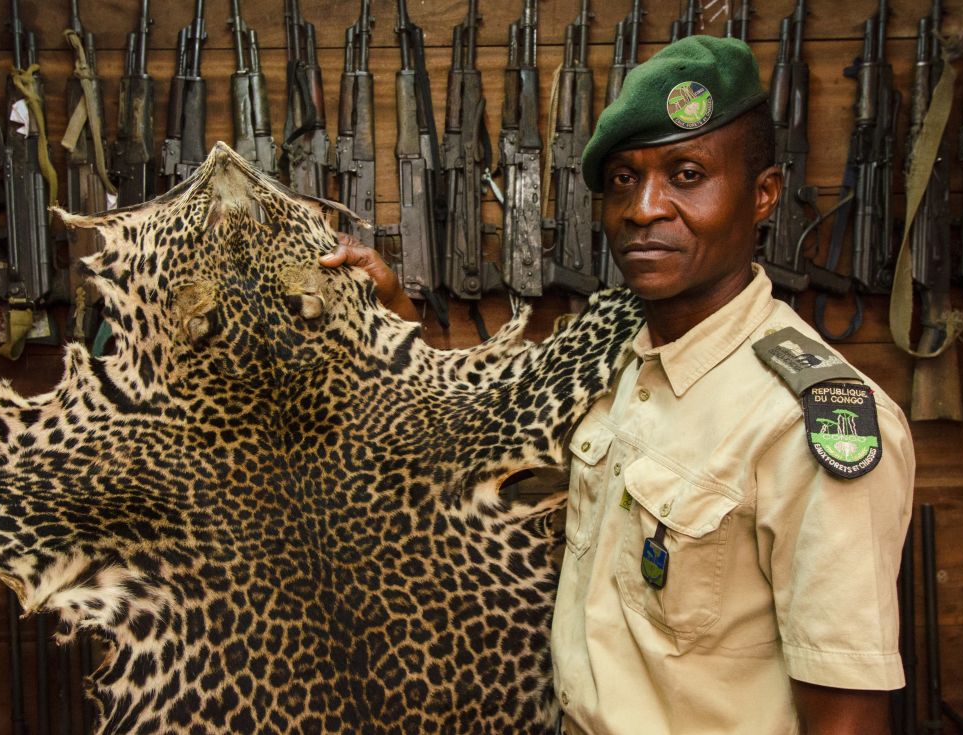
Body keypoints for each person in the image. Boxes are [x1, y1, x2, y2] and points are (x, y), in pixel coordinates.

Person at [321, 36, 914, 735]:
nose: (644, 209)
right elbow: (473, 423)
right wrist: (390, 309)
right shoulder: (611, 346)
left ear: (763, 195)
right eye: (625, 180)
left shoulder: (806, 421)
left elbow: (846, 718)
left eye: (687, 174)